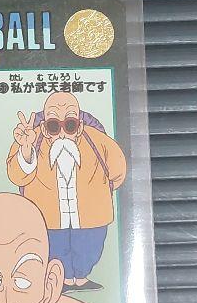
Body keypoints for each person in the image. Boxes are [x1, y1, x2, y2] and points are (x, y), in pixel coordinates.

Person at [7, 92, 126, 290]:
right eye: (54, 126)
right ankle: (63, 279)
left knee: (90, 246)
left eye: (69, 125)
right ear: (44, 127)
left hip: (92, 216)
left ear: (79, 126)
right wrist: (26, 150)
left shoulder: (97, 140)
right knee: (54, 247)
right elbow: (17, 176)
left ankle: (81, 278)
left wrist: (101, 193)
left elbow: (117, 170)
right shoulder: (31, 140)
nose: (62, 133)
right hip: (48, 216)